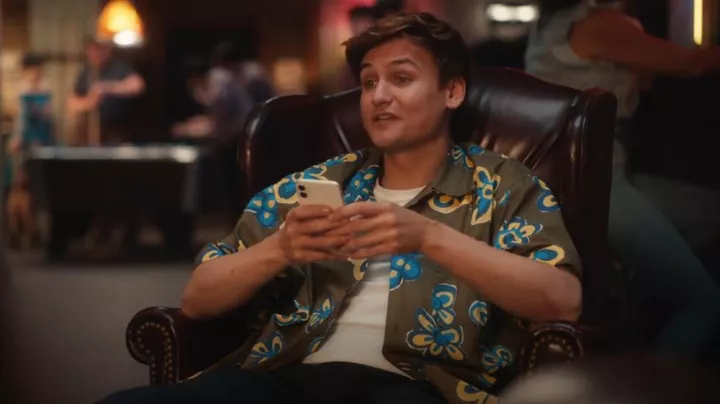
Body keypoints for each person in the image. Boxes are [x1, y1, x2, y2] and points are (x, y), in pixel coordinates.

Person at [100, 13, 582, 404]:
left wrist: (428, 237)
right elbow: (197, 298)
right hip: (289, 376)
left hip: (422, 386)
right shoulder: (319, 184)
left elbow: (561, 299)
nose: (379, 96)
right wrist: (280, 249)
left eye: (401, 78)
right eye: (369, 82)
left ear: (452, 91)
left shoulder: (501, 184)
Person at [525, 0, 720, 363]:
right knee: (704, 303)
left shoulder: (552, 22)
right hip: (594, 182)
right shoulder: (597, 23)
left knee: (710, 214)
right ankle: (644, 384)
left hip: (592, 174)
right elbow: (692, 63)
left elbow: (647, 75)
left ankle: (641, 288)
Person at [69, 37, 145, 145]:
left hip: (117, 132)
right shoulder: (86, 72)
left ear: (106, 51)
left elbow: (137, 85)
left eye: (97, 50)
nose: (93, 54)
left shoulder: (118, 67)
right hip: (92, 133)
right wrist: (88, 102)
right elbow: (72, 102)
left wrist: (106, 88)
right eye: (90, 50)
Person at [340, 6, 378, 89]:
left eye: (359, 21)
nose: (355, 27)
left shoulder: (379, 51)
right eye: (353, 22)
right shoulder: (351, 54)